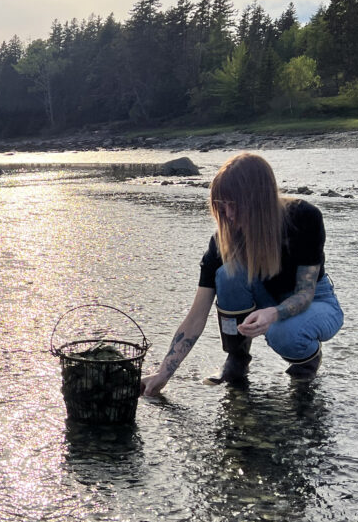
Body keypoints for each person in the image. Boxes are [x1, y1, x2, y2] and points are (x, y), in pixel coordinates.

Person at [140, 152, 343, 396]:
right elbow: (196, 316)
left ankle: (305, 364)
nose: (228, 214)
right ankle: (236, 359)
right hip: (265, 298)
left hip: (316, 302)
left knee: (284, 333)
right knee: (228, 275)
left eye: (235, 204)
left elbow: (305, 293)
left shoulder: (304, 217)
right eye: (221, 205)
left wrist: (274, 313)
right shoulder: (222, 242)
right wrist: (164, 373)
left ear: (260, 199)